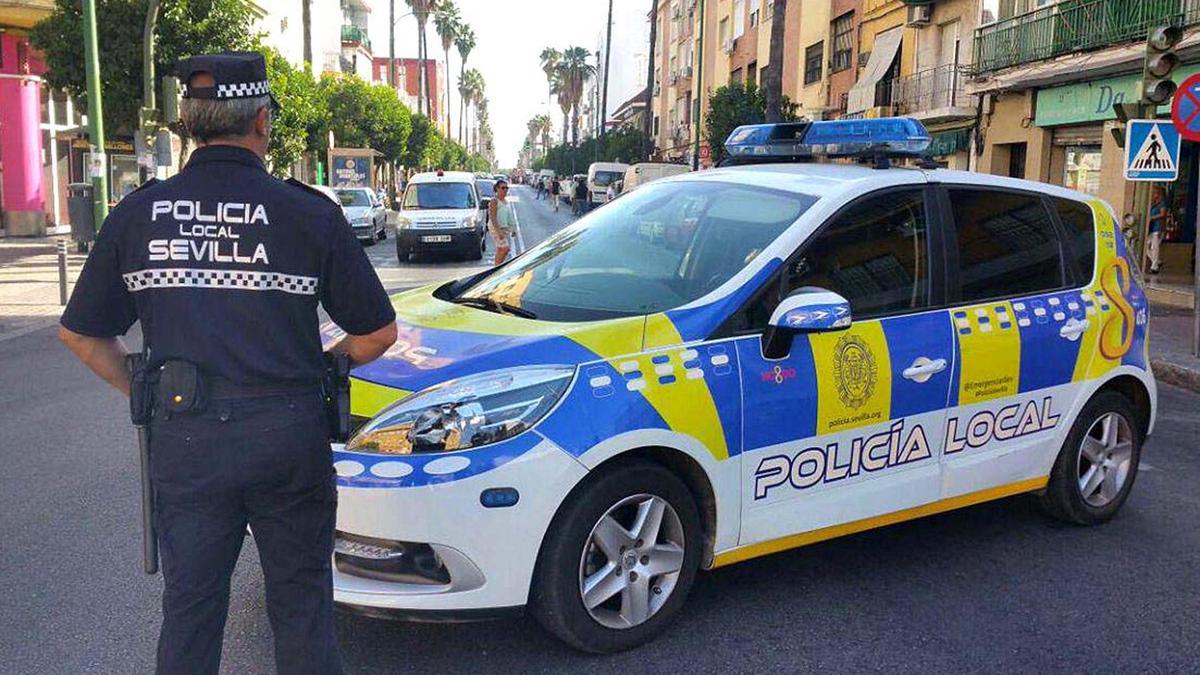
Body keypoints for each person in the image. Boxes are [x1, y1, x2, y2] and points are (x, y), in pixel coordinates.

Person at [57, 52, 397, 675]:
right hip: (289, 438)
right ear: (261, 120)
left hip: (186, 441)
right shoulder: (309, 213)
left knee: (190, 615)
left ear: (189, 121)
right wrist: (323, 370)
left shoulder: (138, 214)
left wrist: (148, 388)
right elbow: (377, 333)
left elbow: (81, 335)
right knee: (302, 612)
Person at [488, 178, 517, 265]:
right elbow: (493, 217)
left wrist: (513, 229)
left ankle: (497, 266)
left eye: (506, 188)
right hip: (496, 228)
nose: (505, 190)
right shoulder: (494, 201)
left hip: (504, 227)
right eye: (503, 188)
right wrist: (498, 231)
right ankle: (497, 267)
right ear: (497, 189)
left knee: (500, 249)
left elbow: (509, 217)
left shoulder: (505, 201)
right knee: (505, 248)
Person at [1147, 185, 1168, 274]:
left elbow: (1163, 214)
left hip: (1158, 228)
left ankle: (1154, 267)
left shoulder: (1162, 203)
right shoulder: (1154, 203)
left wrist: (1152, 217)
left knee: (1154, 247)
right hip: (1151, 228)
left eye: (1155, 193)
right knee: (1146, 246)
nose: (1153, 194)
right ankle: (1156, 261)